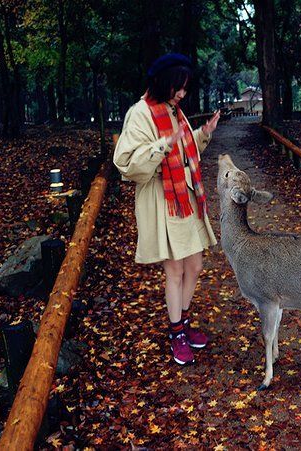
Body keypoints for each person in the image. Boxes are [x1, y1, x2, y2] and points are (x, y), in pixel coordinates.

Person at [113, 53, 220, 365]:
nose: (183, 93)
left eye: (185, 88)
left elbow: (185, 151)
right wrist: (160, 146)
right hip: (163, 201)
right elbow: (125, 163)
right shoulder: (140, 113)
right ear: (163, 83)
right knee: (174, 270)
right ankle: (177, 334)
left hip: (184, 196)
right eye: (179, 87)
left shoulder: (175, 110)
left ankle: (183, 323)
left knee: (195, 266)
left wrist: (204, 133)